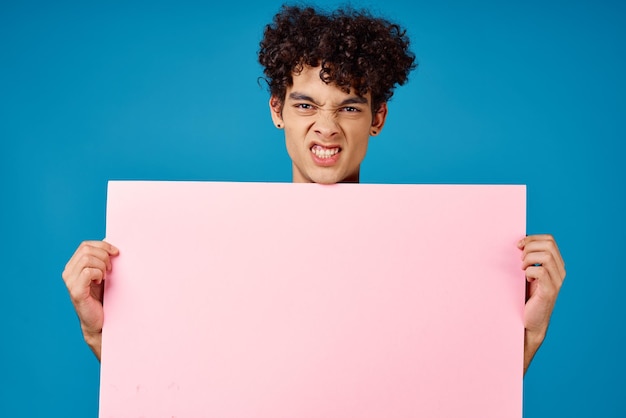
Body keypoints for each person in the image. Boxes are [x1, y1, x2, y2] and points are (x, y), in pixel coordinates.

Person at [61, 5, 565, 375]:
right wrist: (99, 333)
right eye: (305, 106)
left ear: (378, 118)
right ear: (277, 110)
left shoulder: (429, 259)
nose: (326, 127)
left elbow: (449, 397)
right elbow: (185, 393)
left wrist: (530, 333)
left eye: (349, 107)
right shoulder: (219, 251)